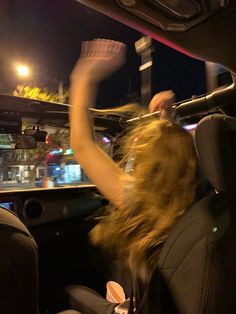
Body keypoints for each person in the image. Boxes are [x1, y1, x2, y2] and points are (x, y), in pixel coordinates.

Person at [68, 39, 197, 313]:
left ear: (149, 166)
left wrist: (82, 76)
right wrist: (167, 121)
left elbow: (82, 143)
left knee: (73, 294)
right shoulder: (198, 206)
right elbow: (173, 156)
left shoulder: (137, 202)